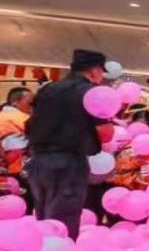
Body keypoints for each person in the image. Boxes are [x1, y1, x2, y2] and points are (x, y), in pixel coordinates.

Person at [25, 50, 115, 239]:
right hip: (68, 163)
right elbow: (105, 133)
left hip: (38, 161)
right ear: (94, 71)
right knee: (63, 222)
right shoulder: (92, 92)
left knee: (43, 219)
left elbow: (31, 122)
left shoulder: (47, 89)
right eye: (101, 71)